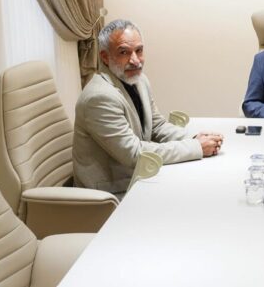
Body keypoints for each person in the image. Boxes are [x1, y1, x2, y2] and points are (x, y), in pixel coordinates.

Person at [73, 20, 224, 196]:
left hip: (139, 178)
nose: (135, 60)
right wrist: (195, 147)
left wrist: (194, 137)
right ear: (105, 57)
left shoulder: (139, 80)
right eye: (124, 52)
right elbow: (135, 153)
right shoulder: (99, 97)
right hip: (111, 194)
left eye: (139, 50)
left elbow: (156, 126)